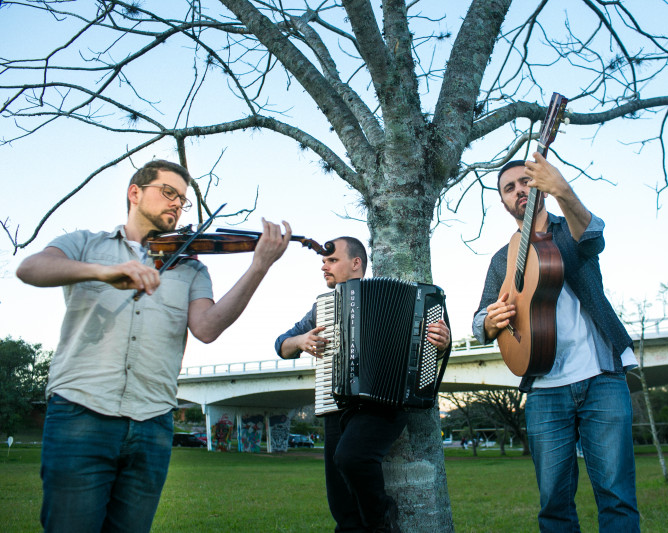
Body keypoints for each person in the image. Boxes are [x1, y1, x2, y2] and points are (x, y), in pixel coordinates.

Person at [16, 160, 292, 533]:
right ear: (134, 193)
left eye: (182, 200)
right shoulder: (85, 244)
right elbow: (31, 269)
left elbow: (207, 329)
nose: (177, 205)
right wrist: (102, 272)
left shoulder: (191, 268)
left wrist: (259, 266)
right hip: (81, 412)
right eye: (168, 193)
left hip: (152, 422)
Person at [472, 155, 640, 532]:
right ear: (502, 202)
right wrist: (489, 321)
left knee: (616, 497)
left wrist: (564, 190)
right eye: (508, 188)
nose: (519, 191)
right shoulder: (503, 259)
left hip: (600, 376)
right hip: (545, 389)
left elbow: (594, 234)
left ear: (538, 186)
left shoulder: (570, 231)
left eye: (524, 182)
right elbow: (479, 318)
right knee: (553, 506)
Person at [275, 236, 451, 533]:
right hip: (337, 404)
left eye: (332, 260)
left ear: (356, 263)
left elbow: (434, 347)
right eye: (323, 262)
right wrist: (300, 341)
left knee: (352, 457)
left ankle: (382, 521)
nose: (324, 266)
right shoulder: (323, 308)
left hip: (388, 402)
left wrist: (443, 343)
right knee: (341, 504)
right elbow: (281, 344)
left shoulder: (413, 300)